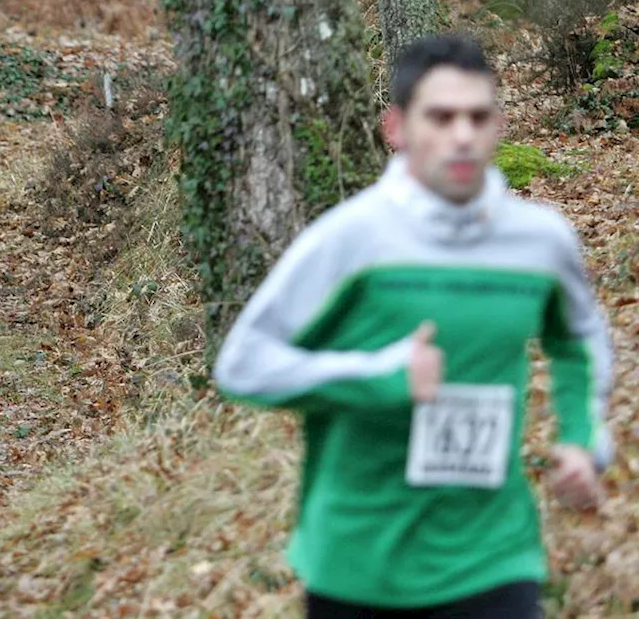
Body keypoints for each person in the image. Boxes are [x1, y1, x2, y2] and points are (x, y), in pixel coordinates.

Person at [212, 34, 613, 618]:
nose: (462, 135)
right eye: (441, 117)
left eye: (478, 116)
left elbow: (578, 340)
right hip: (361, 564)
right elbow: (243, 364)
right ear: (396, 127)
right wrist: (382, 375)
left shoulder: (540, 242)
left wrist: (581, 438)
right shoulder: (349, 241)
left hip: (493, 556)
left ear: (499, 124)